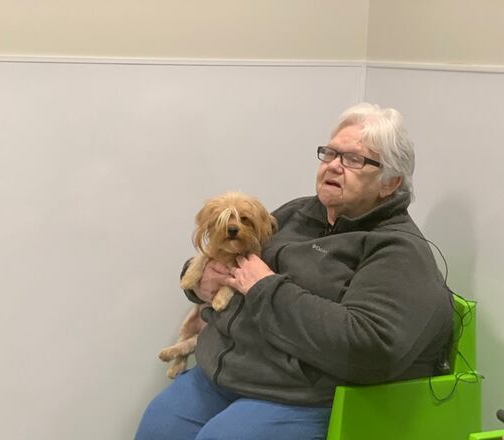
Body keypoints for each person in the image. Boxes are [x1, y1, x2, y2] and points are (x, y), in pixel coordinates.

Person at [135, 103, 454, 440]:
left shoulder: (397, 250)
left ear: (390, 183)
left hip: (301, 393)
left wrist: (265, 287)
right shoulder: (297, 214)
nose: (333, 165)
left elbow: (368, 346)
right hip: (228, 368)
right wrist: (199, 280)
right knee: (158, 426)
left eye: (353, 159)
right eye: (330, 153)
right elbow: (227, 250)